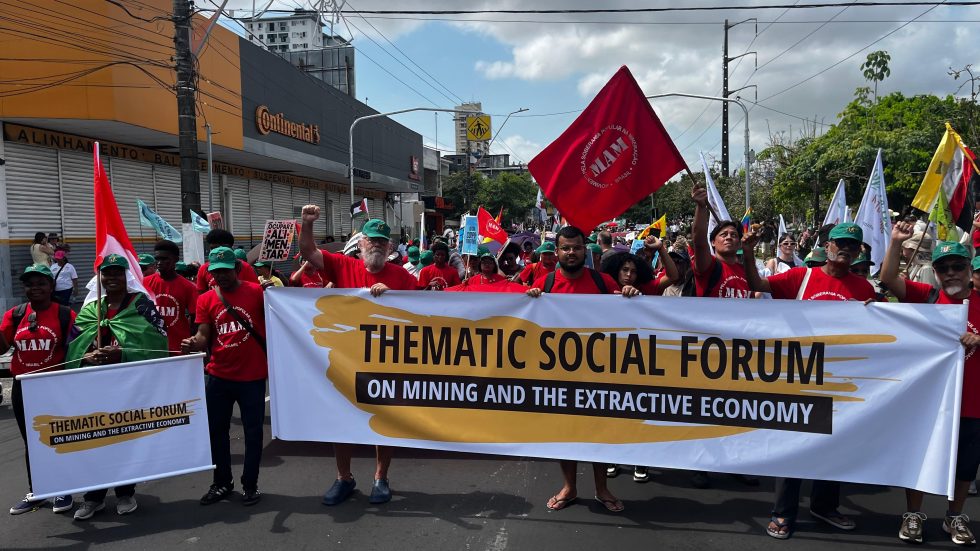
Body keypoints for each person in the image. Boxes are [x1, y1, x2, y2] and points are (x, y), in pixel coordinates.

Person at [742, 222, 873, 540]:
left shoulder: (865, 290)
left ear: (859, 252)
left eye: (852, 245)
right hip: (800, 377)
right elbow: (756, 282)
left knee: (834, 444)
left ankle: (824, 506)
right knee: (795, 445)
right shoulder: (803, 277)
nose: (845, 249)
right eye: (839, 243)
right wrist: (747, 251)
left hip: (841, 380)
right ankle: (783, 513)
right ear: (826, 246)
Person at [299, 209, 418, 506]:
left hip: (386, 361)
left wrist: (395, 296)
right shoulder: (342, 266)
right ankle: (344, 478)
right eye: (372, 241)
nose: (376, 245)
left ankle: (381, 478)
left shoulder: (401, 276)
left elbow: (421, 311)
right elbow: (308, 251)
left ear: (389, 247)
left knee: (384, 421)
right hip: (345, 359)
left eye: (382, 241)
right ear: (361, 243)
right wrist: (308, 223)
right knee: (341, 419)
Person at [526, 225, 638, 513]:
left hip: (599, 375)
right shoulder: (546, 284)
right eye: (565, 248)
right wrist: (529, 300)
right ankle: (569, 487)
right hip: (560, 376)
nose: (571, 253)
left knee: (598, 433)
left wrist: (629, 293)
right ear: (557, 251)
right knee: (565, 434)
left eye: (576, 247)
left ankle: (602, 489)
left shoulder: (603, 283)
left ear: (584, 250)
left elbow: (630, 314)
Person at [881, 223, 980, 545]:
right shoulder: (929, 297)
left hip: (973, 403)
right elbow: (888, 279)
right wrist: (896, 241)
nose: (951, 273)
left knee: (966, 467)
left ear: (969, 268)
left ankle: (954, 517)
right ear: (935, 272)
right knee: (923, 458)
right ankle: (913, 514)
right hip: (932, 402)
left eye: (957, 267)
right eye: (943, 268)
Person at [65, 254, 168, 520]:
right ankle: (93, 498)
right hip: (94, 387)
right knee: (94, 440)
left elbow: (157, 343)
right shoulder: (90, 309)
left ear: (127, 276)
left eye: (117, 273)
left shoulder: (142, 305)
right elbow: (73, 345)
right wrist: (87, 356)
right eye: (107, 274)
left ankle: (125, 492)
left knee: (124, 438)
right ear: (100, 277)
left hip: (129, 387)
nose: (111, 279)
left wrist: (122, 354)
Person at [182, 247, 267, 508]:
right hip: (218, 376)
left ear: (237, 269)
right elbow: (204, 335)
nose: (221, 276)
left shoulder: (257, 293)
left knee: (253, 434)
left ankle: (250, 485)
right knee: (216, 432)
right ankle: (222, 482)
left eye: (226, 271)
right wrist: (194, 342)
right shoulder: (206, 299)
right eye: (216, 272)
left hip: (252, 377)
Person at [2, 265, 76, 515]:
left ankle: (63, 489)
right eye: (30, 284)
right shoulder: (15, 315)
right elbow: (2, 349)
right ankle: (38, 491)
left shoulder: (65, 314)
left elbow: (77, 349)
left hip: (55, 387)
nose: (35, 288)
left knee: (57, 439)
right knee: (31, 442)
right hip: (23, 386)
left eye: (40, 283)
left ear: (51, 287)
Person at [690, 187, 751, 298]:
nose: (728, 237)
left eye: (734, 235)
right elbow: (699, 241)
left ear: (739, 244)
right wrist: (701, 206)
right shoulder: (709, 266)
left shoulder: (749, 273)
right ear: (713, 242)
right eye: (723, 235)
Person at [143, 240, 198, 356]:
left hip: (178, 350)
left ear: (176, 259)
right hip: (151, 348)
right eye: (157, 259)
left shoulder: (189, 287)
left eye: (164, 259)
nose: (159, 262)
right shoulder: (145, 283)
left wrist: (191, 343)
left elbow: (195, 319)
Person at [196, 229, 260, 291]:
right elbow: (201, 294)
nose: (218, 251)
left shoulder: (245, 267)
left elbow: (255, 290)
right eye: (213, 248)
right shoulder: (204, 269)